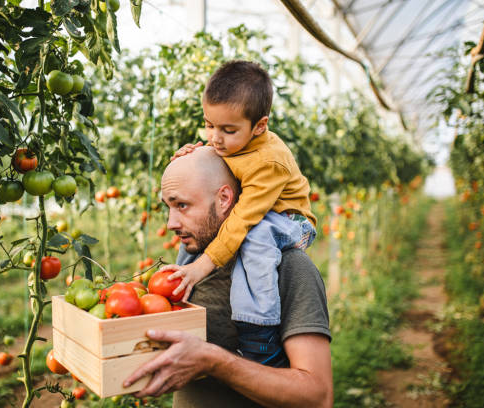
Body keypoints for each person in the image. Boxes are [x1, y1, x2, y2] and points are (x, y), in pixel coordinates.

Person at [123, 146, 332, 408]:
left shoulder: (288, 268)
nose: (171, 223)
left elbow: (318, 396)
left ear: (224, 199)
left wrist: (214, 361)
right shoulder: (191, 263)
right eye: (168, 206)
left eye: (182, 205)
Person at [165, 60, 317, 365]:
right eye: (209, 125)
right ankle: (179, 296)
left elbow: (243, 218)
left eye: (227, 130)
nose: (215, 138)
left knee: (254, 237)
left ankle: (258, 332)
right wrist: (189, 155)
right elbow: (210, 169)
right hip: (262, 212)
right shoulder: (230, 142)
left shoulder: (268, 162)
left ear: (259, 126)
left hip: (291, 221)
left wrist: (204, 265)